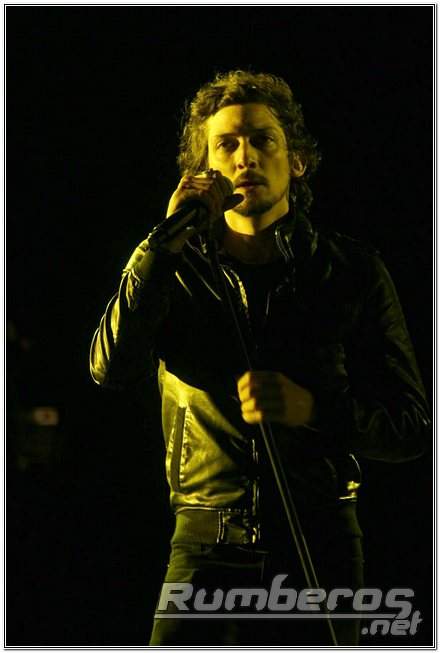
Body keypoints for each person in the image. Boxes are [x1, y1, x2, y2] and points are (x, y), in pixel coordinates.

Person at [90, 70, 430, 646]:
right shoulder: (171, 267)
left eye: (262, 140)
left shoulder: (351, 271)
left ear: (297, 160)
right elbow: (109, 366)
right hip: (204, 544)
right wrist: (164, 244)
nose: (244, 156)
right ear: (204, 172)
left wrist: (313, 409)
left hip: (319, 542)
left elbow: (411, 427)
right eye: (225, 144)